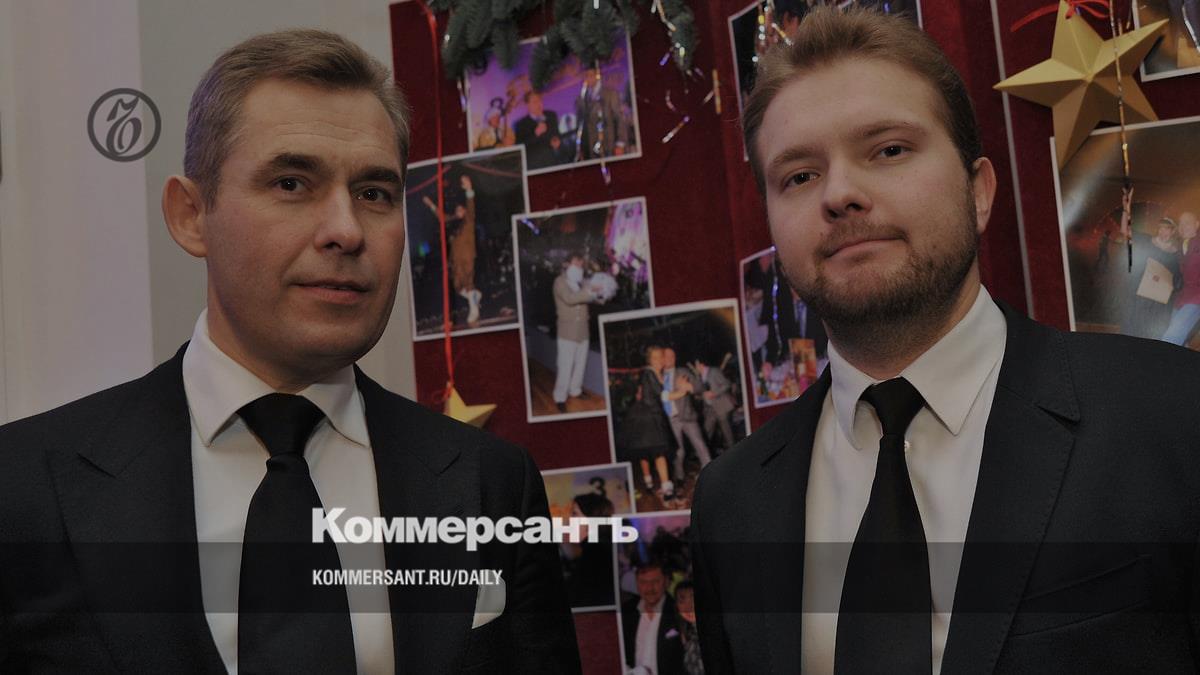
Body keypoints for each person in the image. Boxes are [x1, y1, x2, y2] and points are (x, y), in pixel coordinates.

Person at [0, 29, 580, 674]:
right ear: (191, 215)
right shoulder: (23, 484)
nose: (346, 231)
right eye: (291, 183)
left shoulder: (492, 483)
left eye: (375, 193)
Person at [690, 8, 1200, 674]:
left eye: (889, 150)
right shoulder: (731, 503)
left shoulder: (1172, 414)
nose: (839, 193)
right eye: (799, 176)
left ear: (979, 191)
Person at [618, 346, 678, 500]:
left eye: (660, 357)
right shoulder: (649, 372)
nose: (659, 360)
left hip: (654, 416)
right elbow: (663, 396)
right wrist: (684, 391)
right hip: (645, 417)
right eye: (655, 357)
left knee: (651, 450)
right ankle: (659, 486)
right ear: (649, 360)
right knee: (653, 451)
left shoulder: (657, 373)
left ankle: (655, 485)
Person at [422, 174, 482, 326]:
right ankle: (474, 296)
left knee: (468, 282)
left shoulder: (468, 220)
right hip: (455, 259)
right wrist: (431, 204)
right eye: (458, 209)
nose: (460, 210)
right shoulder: (453, 222)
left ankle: (474, 312)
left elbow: (471, 206)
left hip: (467, 256)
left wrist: (469, 189)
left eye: (462, 209)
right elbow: (441, 217)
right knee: (458, 286)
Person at [552, 253, 600, 413]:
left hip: (583, 331)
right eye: (576, 263)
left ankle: (575, 390)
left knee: (580, 364)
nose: (579, 267)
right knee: (565, 366)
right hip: (567, 332)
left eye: (581, 264)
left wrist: (602, 291)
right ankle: (560, 397)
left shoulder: (582, 282)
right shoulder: (559, 282)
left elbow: (596, 298)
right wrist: (590, 291)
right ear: (566, 264)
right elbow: (569, 299)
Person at [621, 561, 684, 675]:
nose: (649, 588)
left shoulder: (680, 611)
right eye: (643, 582)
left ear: (666, 582)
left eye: (655, 581)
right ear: (636, 583)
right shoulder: (626, 611)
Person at [661, 348, 713, 480]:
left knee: (700, 445)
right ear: (662, 358)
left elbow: (700, 386)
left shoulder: (682, 372)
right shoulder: (658, 375)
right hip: (669, 420)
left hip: (687, 416)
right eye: (666, 356)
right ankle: (679, 478)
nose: (670, 358)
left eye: (672, 356)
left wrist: (689, 387)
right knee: (678, 452)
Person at [575, 67, 630, 160]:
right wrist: (580, 148)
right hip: (590, 150)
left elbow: (619, 119)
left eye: (590, 75)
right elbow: (580, 126)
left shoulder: (610, 94)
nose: (588, 78)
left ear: (597, 76)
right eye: (585, 76)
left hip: (609, 145)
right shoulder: (580, 100)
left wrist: (620, 143)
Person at [1162, 211, 1200, 346]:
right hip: (1181, 297)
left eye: (1187, 223)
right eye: (1180, 223)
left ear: (1197, 224)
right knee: (1180, 339)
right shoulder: (1181, 246)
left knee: (1171, 336)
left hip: (1196, 297)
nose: (1183, 226)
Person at [691, 359, 736, 454]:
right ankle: (704, 454)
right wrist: (700, 396)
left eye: (696, 365)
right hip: (709, 410)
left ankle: (735, 453)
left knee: (727, 433)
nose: (695, 368)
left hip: (721, 407)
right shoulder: (699, 376)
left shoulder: (714, 371)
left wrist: (714, 393)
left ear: (701, 364)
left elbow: (726, 384)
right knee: (707, 431)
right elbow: (702, 391)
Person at [514, 91, 565, 170]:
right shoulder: (521, 124)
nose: (539, 104)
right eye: (535, 102)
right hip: (535, 165)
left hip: (553, 161)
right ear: (527, 105)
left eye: (540, 100)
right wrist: (536, 134)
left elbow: (557, 134)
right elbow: (520, 146)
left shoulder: (551, 115)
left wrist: (557, 141)